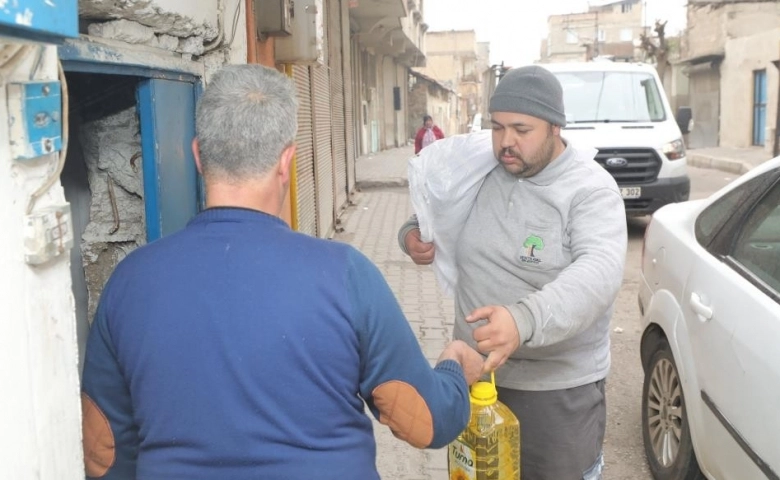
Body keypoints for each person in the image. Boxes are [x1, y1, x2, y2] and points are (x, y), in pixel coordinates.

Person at [80, 64, 484, 480]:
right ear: (286, 160)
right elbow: (425, 421)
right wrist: (454, 366)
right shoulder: (345, 275)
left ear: (198, 155)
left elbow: (102, 452)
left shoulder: (130, 281)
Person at [398, 65, 628, 479]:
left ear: (555, 127)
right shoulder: (485, 167)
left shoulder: (590, 190)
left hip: (553, 395)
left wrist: (522, 321)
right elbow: (438, 201)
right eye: (498, 127)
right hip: (474, 377)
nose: (506, 142)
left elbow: (600, 273)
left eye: (522, 129)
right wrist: (413, 233)